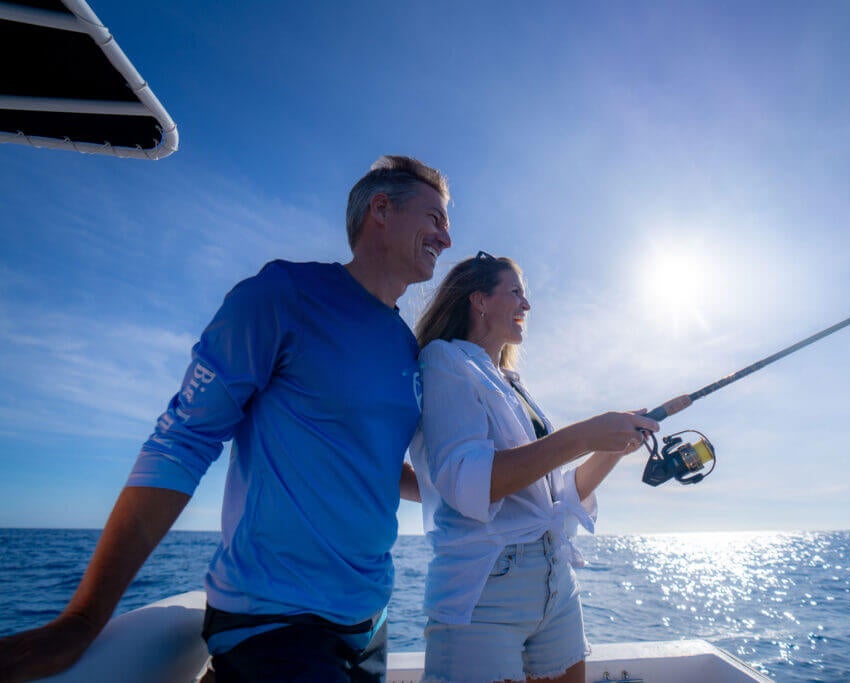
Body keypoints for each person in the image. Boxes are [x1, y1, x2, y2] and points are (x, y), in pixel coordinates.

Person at [0, 155, 452, 683]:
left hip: (369, 623)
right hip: (276, 622)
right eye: (435, 218)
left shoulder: (404, 345)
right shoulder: (283, 296)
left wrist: (472, 489)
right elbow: (181, 441)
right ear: (381, 208)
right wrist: (82, 618)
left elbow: (375, 463)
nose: (446, 237)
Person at [409, 252, 683, 683]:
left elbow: (559, 494)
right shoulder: (446, 361)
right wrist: (584, 435)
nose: (527, 305)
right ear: (478, 300)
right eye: (515, 292)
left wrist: (611, 447)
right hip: (487, 588)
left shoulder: (512, 383)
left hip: (555, 582)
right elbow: (469, 484)